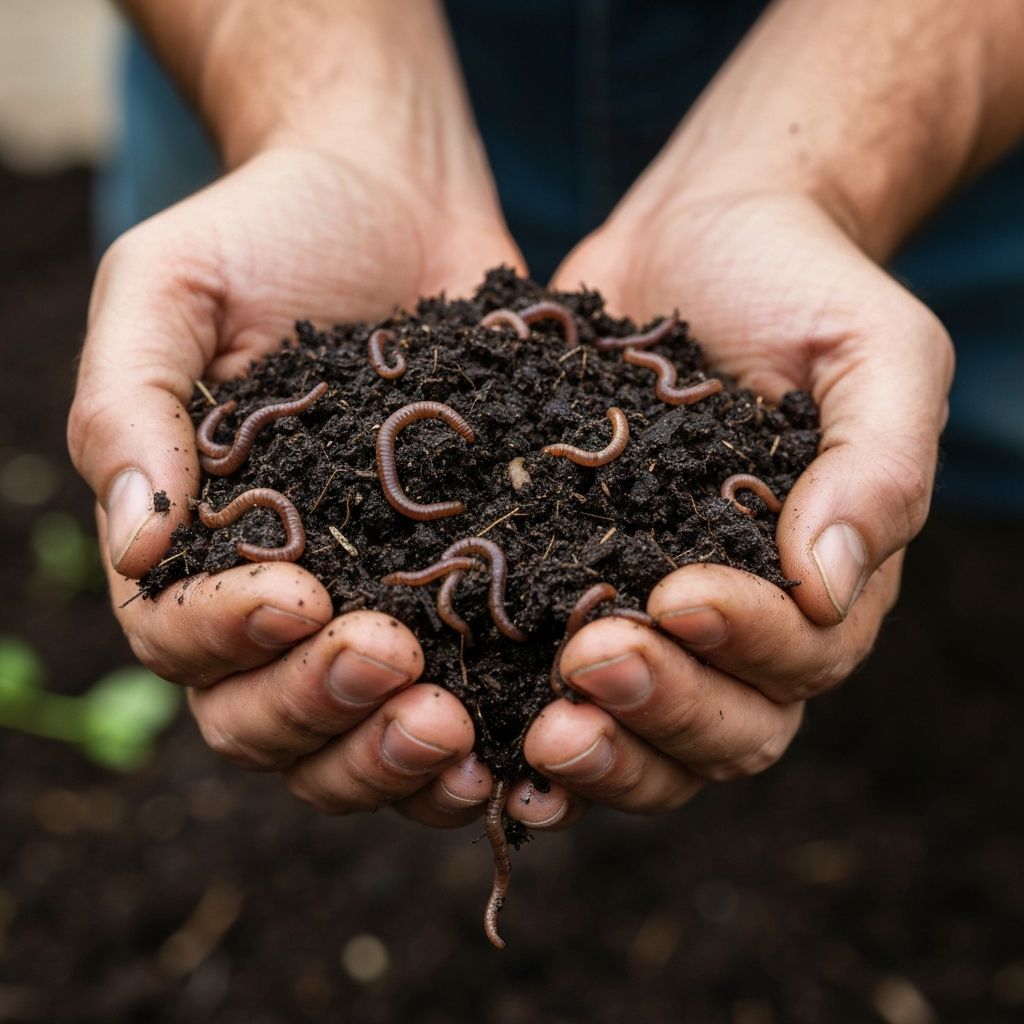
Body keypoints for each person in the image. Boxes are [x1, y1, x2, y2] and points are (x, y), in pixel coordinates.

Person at [68, 0, 1024, 832]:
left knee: (922, 582)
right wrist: (322, 119)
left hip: (944, 151)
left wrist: (820, 177)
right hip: (277, 65)